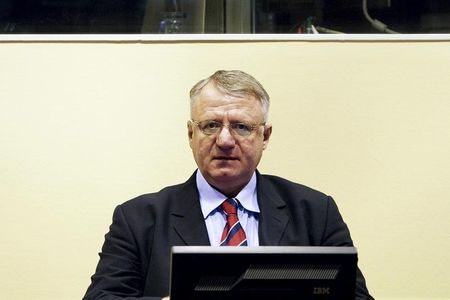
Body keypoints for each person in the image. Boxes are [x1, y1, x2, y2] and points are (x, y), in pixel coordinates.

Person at [84, 70, 374, 299]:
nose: (224, 140)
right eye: (211, 125)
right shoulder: (138, 218)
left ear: (266, 136)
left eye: (241, 126)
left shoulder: (315, 212)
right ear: (190, 134)